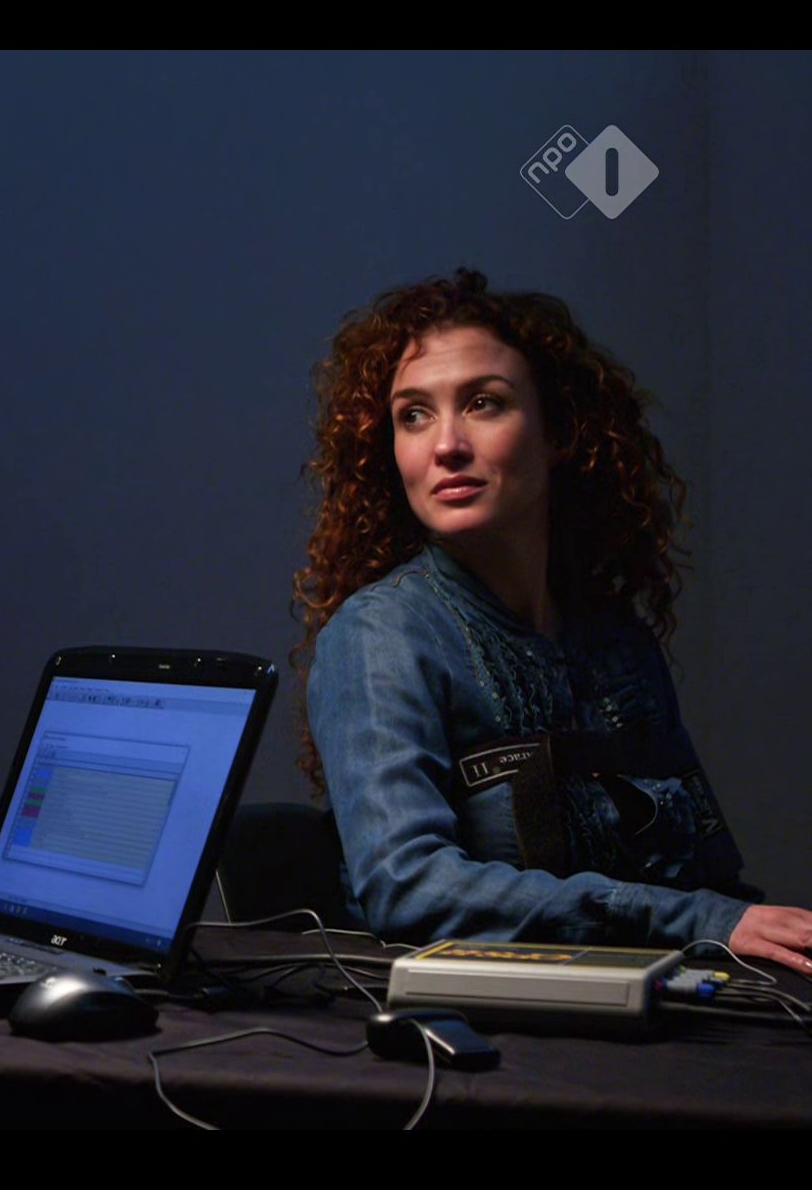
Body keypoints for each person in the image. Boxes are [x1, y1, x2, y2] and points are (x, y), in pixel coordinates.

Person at [293, 268, 812, 970]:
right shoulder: (382, 636)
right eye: (413, 415)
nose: (446, 444)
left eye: (483, 403)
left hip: (655, 1000)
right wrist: (695, 920)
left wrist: (775, 950)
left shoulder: (616, 640)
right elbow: (407, 887)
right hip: (475, 1023)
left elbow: (713, 883)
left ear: (558, 432)